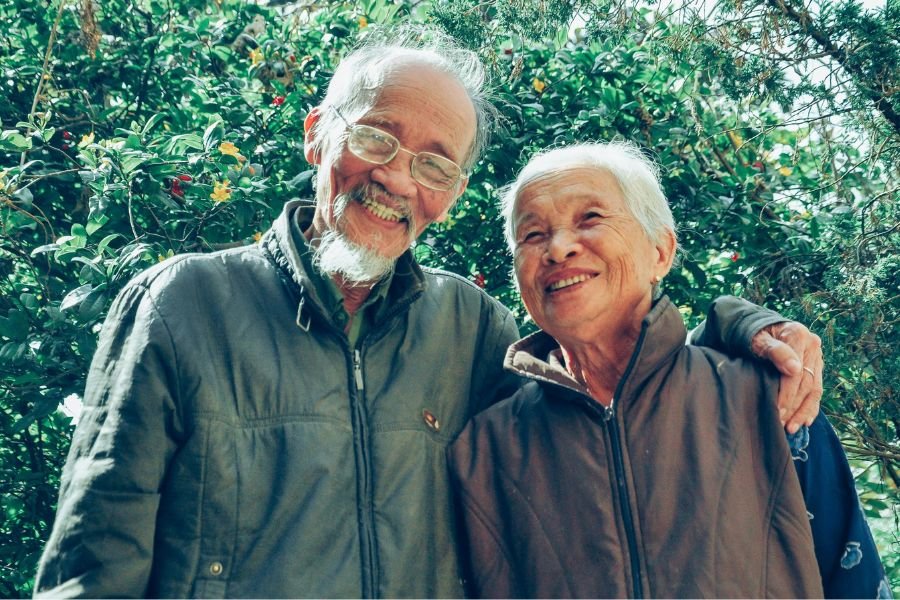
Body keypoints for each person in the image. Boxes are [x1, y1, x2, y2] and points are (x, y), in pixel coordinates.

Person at [35, 28, 824, 598]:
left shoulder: (472, 328)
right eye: (376, 137)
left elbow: (606, 385)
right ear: (319, 136)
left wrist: (739, 327)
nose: (398, 179)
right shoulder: (183, 305)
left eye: (435, 163)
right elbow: (91, 567)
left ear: (450, 194)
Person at [448, 142, 890, 598]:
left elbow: (853, 578)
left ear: (660, 252)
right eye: (533, 235)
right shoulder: (485, 449)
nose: (558, 248)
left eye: (591, 219)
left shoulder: (767, 398)